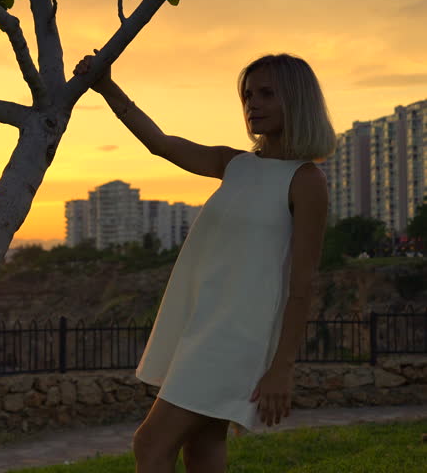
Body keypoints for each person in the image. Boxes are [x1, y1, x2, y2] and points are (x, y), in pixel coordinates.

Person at [73, 51, 334, 473]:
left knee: (150, 443)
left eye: (267, 94)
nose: (253, 104)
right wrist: (106, 87)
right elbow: (160, 144)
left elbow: (302, 286)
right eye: (248, 95)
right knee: (202, 445)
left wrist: (281, 369)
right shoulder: (234, 164)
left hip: (238, 338)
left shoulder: (306, 181)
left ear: (297, 99)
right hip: (203, 325)